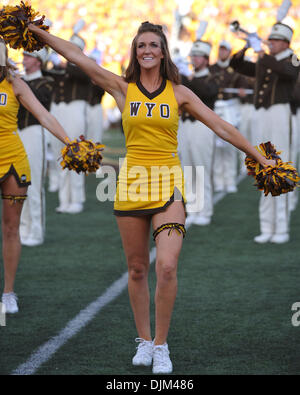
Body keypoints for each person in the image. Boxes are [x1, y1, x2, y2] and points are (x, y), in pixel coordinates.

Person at [28, 21, 275, 373]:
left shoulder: (180, 93)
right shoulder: (120, 87)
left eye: (153, 45)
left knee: (168, 267)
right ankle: (143, 341)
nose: (146, 50)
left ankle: (161, 345)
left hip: (169, 183)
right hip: (131, 184)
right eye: (141, 45)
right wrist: (38, 34)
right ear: (135, 51)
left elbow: (221, 126)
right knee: (137, 268)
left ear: (162, 52)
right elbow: (75, 55)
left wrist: (259, 157)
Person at [0, 39, 70, 314]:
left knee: (10, 228)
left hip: (14, 159)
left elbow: (44, 116)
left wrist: (69, 141)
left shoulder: (15, 83)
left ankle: (8, 292)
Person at [230, 22, 300, 244]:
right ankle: (267, 226)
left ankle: (281, 227)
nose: (271, 43)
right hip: (262, 116)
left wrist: (261, 52)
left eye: (275, 40)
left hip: (280, 114)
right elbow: (237, 66)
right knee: (264, 167)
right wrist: (246, 48)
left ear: (285, 43)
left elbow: (289, 72)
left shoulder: (294, 58)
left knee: (280, 167)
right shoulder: (264, 58)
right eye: (270, 40)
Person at [46, 32, 91, 214]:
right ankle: (64, 200)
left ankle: (77, 199)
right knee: (60, 155)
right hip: (58, 110)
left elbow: (80, 75)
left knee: (76, 153)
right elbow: (43, 69)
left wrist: (67, 61)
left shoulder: (85, 66)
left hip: (75, 110)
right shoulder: (62, 67)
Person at [178, 40, 218, 226]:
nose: (194, 58)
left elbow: (208, 93)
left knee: (201, 169)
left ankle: (206, 211)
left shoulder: (212, 77)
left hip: (203, 126)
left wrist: (187, 78)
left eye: (198, 55)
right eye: (193, 55)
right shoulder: (189, 78)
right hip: (186, 125)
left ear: (206, 59)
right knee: (188, 169)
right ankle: (193, 209)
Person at [18, 48, 54, 247]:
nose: (24, 59)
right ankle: (24, 228)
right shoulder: (19, 81)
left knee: (34, 184)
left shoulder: (45, 82)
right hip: (17, 133)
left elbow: (41, 100)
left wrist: (18, 81)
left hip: (34, 132)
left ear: (39, 61)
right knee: (20, 183)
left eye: (28, 56)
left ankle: (37, 231)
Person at [209, 40, 245, 193]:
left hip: (230, 107)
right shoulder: (211, 69)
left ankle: (229, 179)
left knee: (230, 145)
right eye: (220, 49)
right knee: (216, 148)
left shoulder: (236, 69)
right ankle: (218, 180)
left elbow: (244, 87)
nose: (222, 52)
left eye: (225, 50)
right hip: (216, 108)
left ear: (229, 52)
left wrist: (241, 91)